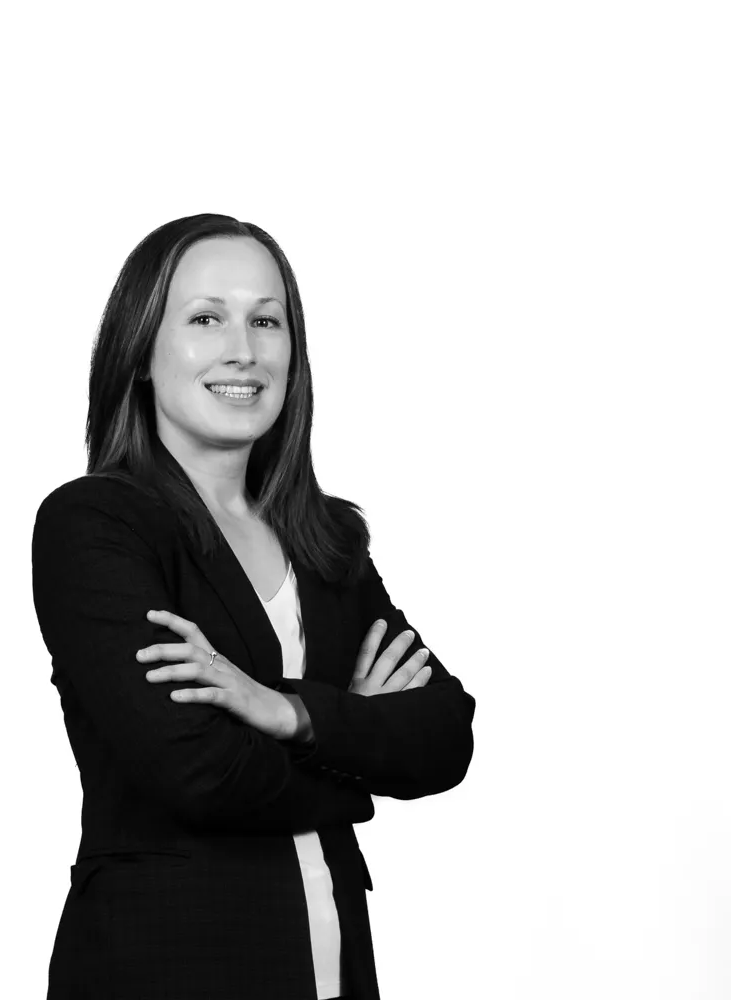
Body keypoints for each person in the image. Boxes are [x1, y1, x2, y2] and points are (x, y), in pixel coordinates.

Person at [30, 213, 476, 1000]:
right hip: (164, 968)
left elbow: (445, 735)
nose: (244, 348)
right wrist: (355, 753)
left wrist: (289, 713)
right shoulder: (95, 526)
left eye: (266, 320)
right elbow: (195, 771)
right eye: (206, 319)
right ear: (141, 350)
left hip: (334, 972)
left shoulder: (325, 539)